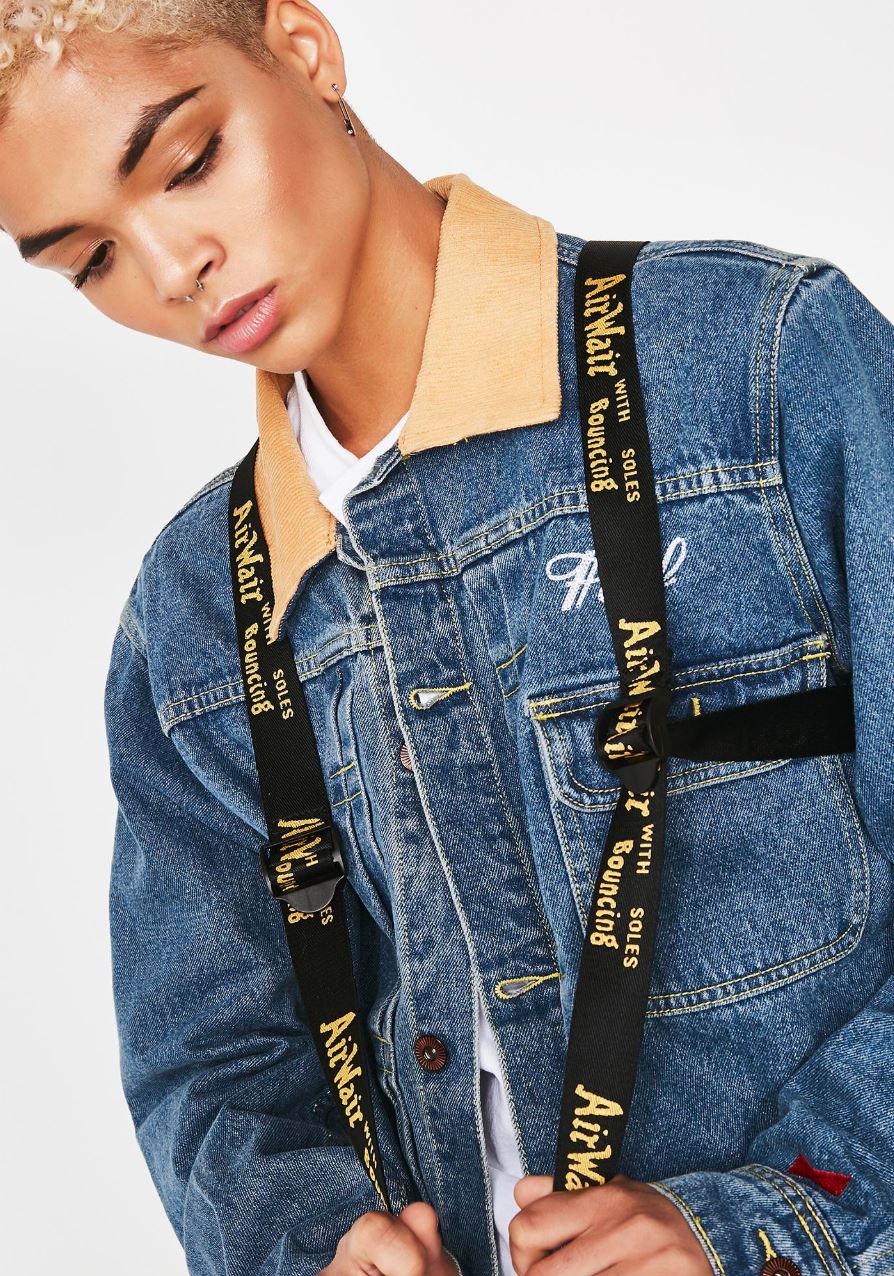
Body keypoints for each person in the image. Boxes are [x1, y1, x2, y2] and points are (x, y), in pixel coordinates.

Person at [2, 2, 892, 1274]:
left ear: (303, 52)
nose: (169, 266)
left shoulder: (764, 368)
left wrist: (764, 1224)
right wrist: (314, 1242)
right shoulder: (194, 616)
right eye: (89, 259)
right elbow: (213, 1072)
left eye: (188, 161)